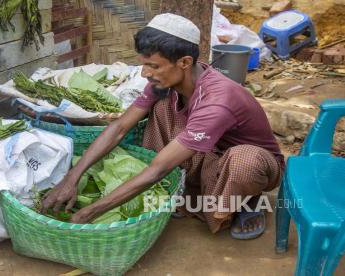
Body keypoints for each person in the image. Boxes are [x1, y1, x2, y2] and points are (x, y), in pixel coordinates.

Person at [41, 13, 284, 239]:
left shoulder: (218, 100)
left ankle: (248, 200)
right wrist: (72, 178)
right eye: (144, 64)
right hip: (208, 154)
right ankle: (191, 192)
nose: (145, 73)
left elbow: (158, 168)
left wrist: (89, 213)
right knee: (161, 104)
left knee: (244, 161)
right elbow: (119, 128)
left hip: (251, 164)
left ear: (185, 62)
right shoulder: (165, 82)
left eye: (154, 66)